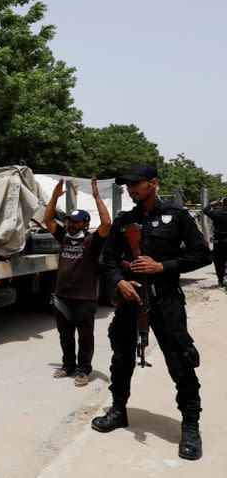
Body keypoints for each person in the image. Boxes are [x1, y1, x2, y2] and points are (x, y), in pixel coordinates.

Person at [92, 163, 211, 461]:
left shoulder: (177, 216)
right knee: (121, 358)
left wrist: (162, 267)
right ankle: (119, 410)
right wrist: (120, 281)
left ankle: (190, 426)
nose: (131, 188)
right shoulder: (124, 221)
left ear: (153, 183)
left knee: (180, 361)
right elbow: (107, 260)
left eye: (136, 183)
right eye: (127, 184)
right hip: (131, 301)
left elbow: (202, 254)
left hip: (166, 300)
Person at [43, 177, 111, 387]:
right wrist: (54, 198)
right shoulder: (63, 236)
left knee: (85, 336)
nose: (71, 224)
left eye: (76, 222)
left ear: (86, 224)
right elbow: (48, 221)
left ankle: (83, 370)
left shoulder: (92, 241)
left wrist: (97, 196)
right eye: (70, 221)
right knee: (65, 335)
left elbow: (107, 223)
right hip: (62, 296)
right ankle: (68, 365)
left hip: (84, 298)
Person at [201, 196, 227, 287]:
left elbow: (205, 210)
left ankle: (220, 280)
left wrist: (212, 203)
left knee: (219, 262)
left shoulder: (217, 213)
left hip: (219, 242)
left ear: (222, 204)